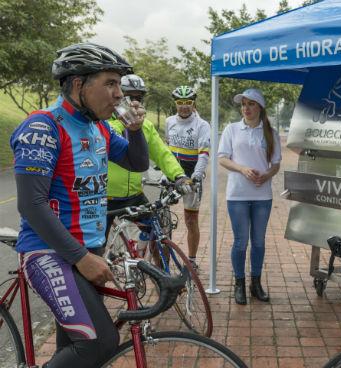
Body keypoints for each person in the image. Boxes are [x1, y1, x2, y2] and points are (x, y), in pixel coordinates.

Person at [10, 43, 150, 367]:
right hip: (50, 253)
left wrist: (135, 130)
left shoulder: (97, 127)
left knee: (74, 351)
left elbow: (136, 161)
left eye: (119, 84)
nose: (119, 93)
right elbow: (31, 204)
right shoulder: (44, 127)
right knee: (98, 343)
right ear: (78, 84)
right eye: (110, 83)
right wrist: (81, 258)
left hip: (88, 251)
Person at [105, 75, 189, 250]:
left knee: (158, 234)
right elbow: (107, 137)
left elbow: (162, 153)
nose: (134, 102)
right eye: (128, 96)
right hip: (105, 198)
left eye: (138, 97)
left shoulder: (147, 126)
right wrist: (128, 123)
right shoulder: (104, 124)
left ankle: (155, 270)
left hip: (134, 196)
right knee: (97, 246)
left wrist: (179, 175)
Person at [218, 88, 281, 305]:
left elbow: (276, 165)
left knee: (259, 242)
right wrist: (242, 168)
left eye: (251, 104)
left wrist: (266, 176)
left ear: (260, 107)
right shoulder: (232, 129)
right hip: (237, 195)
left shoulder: (270, 133)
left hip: (262, 196)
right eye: (243, 104)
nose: (246, 108)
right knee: (240, 242)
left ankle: (256, 284)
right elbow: (222, 158)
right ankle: (239, 284)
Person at [165, 86, 210, 269]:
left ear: (194, 104)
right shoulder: (169, 122)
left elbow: (204, 154)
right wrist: (164, 173)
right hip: (172, 176)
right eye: (180, 103)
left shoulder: (202, 125)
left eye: (188, 103)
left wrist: (197, 176)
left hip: (192, 176)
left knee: (191, 220)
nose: (184, 107)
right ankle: (162, 259)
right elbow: (167, 150)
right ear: (175, 103)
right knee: (162, 219)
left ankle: (191, 260)